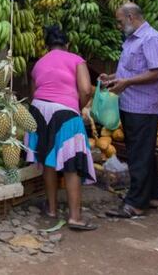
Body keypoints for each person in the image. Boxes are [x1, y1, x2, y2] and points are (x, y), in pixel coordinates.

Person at [100, 2, 158, 218]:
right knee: (144, 153)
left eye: (121, 21)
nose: (119, 26)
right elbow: (132, 70)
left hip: (144, 107)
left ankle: (136, 204)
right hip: (132, 105)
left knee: (138, 154)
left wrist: (128, 83)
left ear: (131, 17)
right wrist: (113, 78)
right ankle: (152, 196)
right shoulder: (133, 40)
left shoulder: (152, 39)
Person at [26, 25, 97, 231]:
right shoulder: (76, 59)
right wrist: (77, 108)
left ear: (47, 46)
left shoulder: (38, 63)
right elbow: (85, 89)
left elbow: (34, 94)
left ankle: (52, 209)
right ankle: (75, 217)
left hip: (38, 110)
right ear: (67, 44)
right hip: (64, 111)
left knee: (48, 158)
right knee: (71, 162)